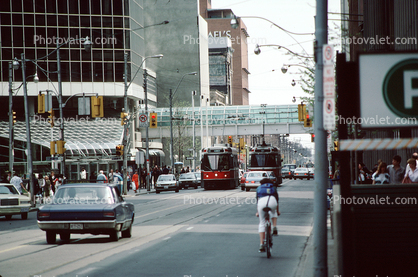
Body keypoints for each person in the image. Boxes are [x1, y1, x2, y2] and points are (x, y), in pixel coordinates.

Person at [255, 178, 280, 253]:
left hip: (261, 203)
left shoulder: (259, 188)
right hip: (272, 200)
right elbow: (277, 201)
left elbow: (257, 201)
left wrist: (258, 212)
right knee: (274, 212)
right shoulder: (273, 187)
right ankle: (274, 226)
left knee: (262, 223)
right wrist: (278, 211)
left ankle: (261, 244)